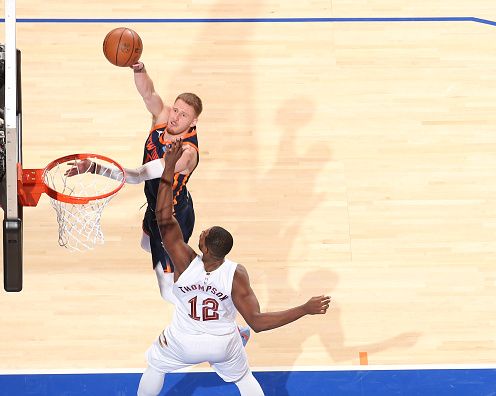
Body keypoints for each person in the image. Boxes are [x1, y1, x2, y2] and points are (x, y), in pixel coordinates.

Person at [136, 139, 331, 396]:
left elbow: (163, 217)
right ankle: (238, 339)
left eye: (204, 234)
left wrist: (168, 167)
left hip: (183, 340)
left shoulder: (184, 261)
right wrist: (305, 309)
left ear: (205, 248)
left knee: (155, 366)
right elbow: (259, 323)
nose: (202, 230)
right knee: (243, 377)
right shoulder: (236, 274)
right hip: (222, 344)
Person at [67, 61, 201, 301]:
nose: (176, 117)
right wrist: (138, 69)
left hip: (171, 218)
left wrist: (94, 167)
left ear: (193, 123)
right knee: (145, 245)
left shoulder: (185, 154)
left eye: (184, 115)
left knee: (168, 291)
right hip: (154, 207)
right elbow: (148, 93)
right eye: (176, 110)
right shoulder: (162, 117)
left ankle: (205, 295)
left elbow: (137, 176)